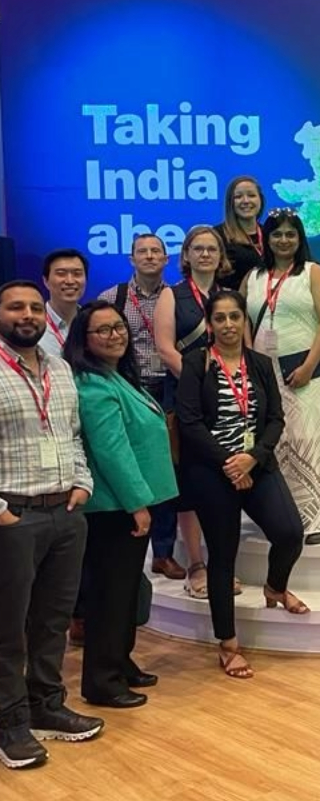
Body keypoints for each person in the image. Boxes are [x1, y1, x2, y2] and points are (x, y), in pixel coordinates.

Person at [177, 290, 307, 679]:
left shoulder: (261, 364)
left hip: (258, 463)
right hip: (212, 471)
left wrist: (254, 457)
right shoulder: (196, 363)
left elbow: (277, 419)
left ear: (244, 322)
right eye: (221, 318)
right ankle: (228, 644)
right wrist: (229, 463)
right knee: (223, 557)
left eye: (236, 317)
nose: (229, 325)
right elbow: (189, 422)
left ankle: (275, 588)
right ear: (210, 323)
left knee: (289, 532)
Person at [0, 280, 103, 771]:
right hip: (12, 517)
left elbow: (71, 434)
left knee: (53, 621)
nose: (28, 314)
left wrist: (81, 484)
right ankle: (9, 722)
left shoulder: (60, 370)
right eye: (15, 306)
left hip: (65, 513)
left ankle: (46, 705)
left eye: (35, 307)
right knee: (8, 628)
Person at [63, 301, 178, 708]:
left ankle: (120, 662)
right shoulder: (93, 386)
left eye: (118, 327)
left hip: (132, 502)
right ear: (84, 339)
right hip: (116, 508)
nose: (115, 335)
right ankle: (101, 680)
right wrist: (137, 504)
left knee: (126, 591)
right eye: (103, 331)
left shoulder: (117, 376)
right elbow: (113, 452)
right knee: (110, 595)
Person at [244, 209, 320, 544]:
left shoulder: (313, 273)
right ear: (266, 239)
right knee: (276, 440)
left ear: (299, 239)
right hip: (266, 372)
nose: (283, 240)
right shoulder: (254, 277)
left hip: (308, 371)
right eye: (276, 234)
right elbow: (243, 319)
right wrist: (248, 361)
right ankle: (282, 517)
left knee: (310, 438)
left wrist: (309, 366)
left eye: (290, 234)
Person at [154, 225, 234, 599]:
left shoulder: (229, 297)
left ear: (221, 256)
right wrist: (198, 383)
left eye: (211, 248)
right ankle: (196, 565)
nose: (205, 254)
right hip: (186, 400)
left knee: (221, 482)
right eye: (197, 248)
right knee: (190, 484)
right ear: (186, 256)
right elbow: (165, 348)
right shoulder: (173, 295)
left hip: (227, 402)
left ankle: (220, 567)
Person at [98, 234, 183, 581]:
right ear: (131, 259)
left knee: (166, 470)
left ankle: (163, 552)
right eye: (141, 252)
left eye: (155, 251)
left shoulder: (177, 297)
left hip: (169, 390)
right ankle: (130, 543)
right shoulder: (112, 298)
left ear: (166, 258)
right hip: (128, 389)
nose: (149, 256)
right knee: (131, 467)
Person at [214, 175, 266, 290]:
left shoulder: (270, 233)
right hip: (233, 303)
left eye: (251, 195)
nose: (246, 201)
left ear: (260, 200)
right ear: (230, 203)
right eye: (238, 197)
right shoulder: (217, 236)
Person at [39, 248, 88, 357]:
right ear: (45, 281)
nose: (70, 281)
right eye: (61, 274)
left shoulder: (91, 323)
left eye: (77, 274)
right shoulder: (35, 324)